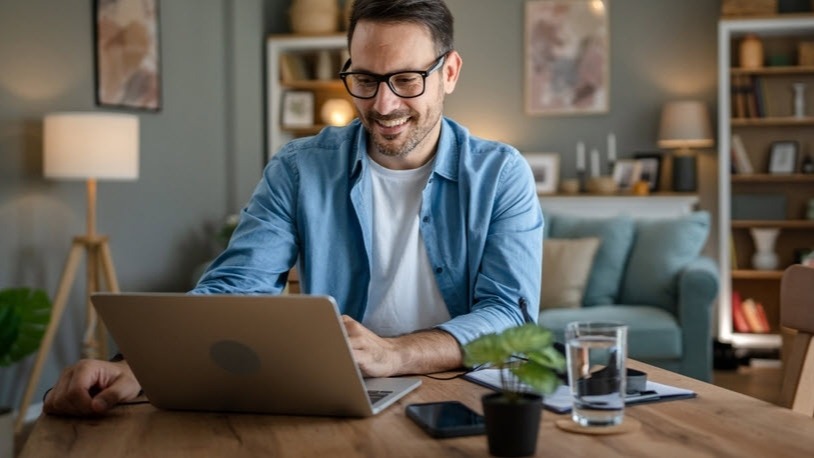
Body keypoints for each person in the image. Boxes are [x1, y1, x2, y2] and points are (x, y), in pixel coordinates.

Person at [43, 0, 543, 417]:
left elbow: (511, 316)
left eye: (407, 80)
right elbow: (238, 285)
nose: (384, 105)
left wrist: (395, 353)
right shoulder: (300, 168)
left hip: (465, 394)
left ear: (448, 72)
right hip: (339, 396)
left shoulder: (501, 174)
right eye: (365, 79)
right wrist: (139, 367)